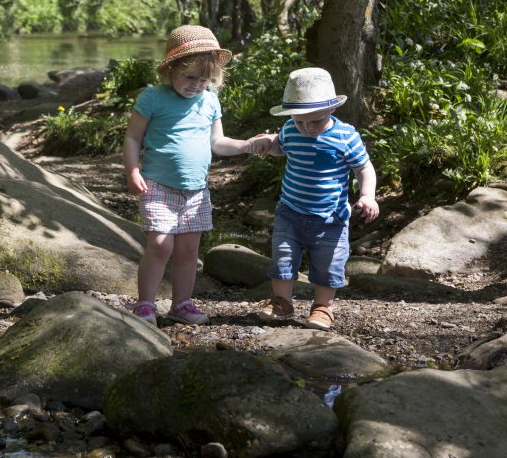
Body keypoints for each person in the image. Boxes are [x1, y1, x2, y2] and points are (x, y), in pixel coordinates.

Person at [124, 25, 270, 325]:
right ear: (171, 69)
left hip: (196, 190)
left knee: (189, 250)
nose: (196, 85)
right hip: (158, 185)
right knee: (161, 245)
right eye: (190, 77)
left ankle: (181, 304)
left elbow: (217, 142)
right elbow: (133, 138)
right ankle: (146, 304)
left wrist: (247, 145)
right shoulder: (153, 98)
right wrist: (132, 169)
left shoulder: (209, 101)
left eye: (204, 80)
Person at [255, 67, 380, 330]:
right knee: (283, 256)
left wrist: (368, 196)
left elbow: (364, 167)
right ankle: (281, 301)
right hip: (290, 211)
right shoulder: (291, 128)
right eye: (300, 121)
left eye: (315, 121)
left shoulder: (345, 135)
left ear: (332, 110)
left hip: (330, 216)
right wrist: (268, 142)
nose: (307, 127)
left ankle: (323, 307)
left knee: (328, 263)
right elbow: (281, 146)